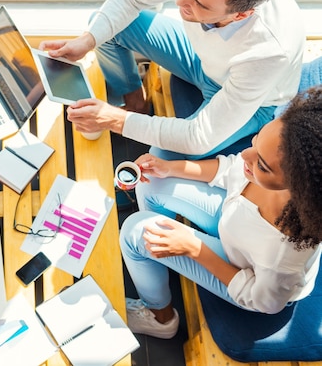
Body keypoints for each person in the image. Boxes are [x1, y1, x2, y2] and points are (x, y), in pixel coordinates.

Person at [40, 0, 305, 160]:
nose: (179, 1)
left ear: (241, 15)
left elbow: (198, 137)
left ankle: (128, 116)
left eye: (198, 4)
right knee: (104, 28)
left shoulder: (269, 50)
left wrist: (115, 120)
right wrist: (87, 41)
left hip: (251, 101)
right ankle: (135, 103)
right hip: (201, 59)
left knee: (161, 157)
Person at [118, 87, 322, 339]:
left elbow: (262, 302)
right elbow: (229, 168)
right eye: (256, 141)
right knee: (155, 174)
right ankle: (158, 258)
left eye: (261, 165)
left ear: (298, 186)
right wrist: (168, 168)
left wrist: (192, 248)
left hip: (244, 275)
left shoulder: (283, 255)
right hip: (234, 225)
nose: (245, 155)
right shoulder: (270, 165)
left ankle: (160, 318)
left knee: (134, 232)